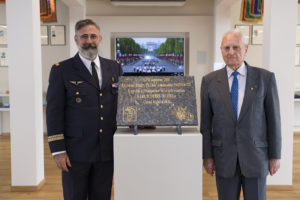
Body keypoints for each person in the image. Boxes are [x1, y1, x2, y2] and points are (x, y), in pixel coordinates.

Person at [200, 29, 281, 200]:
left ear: (246, 49)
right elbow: (206, 124)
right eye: (226, 48)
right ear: (221, 50)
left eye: (236, 47)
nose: (231, 52)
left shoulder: (265, 79)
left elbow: (274, 121)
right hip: (224, 158)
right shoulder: (209, 81)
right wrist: (207, 155)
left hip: (256, 156)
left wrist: (275, 155)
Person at [46, 19, 122, 200]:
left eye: (93, 36)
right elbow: (53, 112)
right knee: (75, 196)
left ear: (100, 38)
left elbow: (122, 103)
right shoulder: (62, 70)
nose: (89, 40)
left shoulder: (114, 67)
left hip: (106, 149)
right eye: (84, 36)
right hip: (75, 151)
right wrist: (58, 150)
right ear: (76, 39)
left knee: (102, 196)